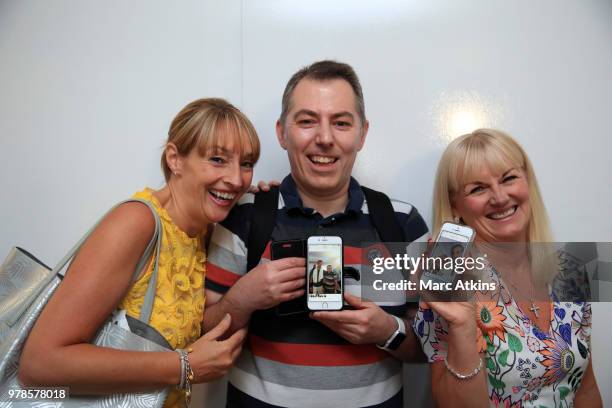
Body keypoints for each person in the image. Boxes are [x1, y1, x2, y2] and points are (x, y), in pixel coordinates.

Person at [204, 60, 428, 408]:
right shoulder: (243, 215)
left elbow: (437, 347)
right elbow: (202, 335)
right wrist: (244, 298)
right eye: (307, 121)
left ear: (362, 134)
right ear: (282, 132)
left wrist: (387, 331)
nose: (324, 138)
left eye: (340, 123)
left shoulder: (402, 221)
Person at [19, 98, 257, 407]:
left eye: (247, 164)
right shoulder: (137, 223)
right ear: (175, 158)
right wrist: (184, 366)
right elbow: (40, 364)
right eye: (217, 159)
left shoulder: (205, 230)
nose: (237, 179)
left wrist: (264, 202)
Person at [413, 129, 602, 407]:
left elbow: (585, 388)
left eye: (509, 178)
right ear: (456, 204)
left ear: (528, 182)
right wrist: (463, 324)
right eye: (478, 188)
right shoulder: (452, 287)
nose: (500, 197)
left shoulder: (568, 271)